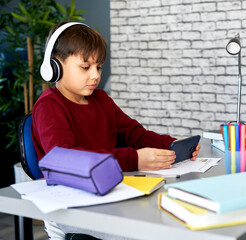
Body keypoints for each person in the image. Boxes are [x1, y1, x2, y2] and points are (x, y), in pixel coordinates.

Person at [32, 21, 200, 240]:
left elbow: (135, 134)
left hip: (110, 195)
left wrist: (171, 144)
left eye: (98, 67)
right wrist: (134, 159)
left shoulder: (101, 99)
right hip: (72, 207)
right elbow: (69, 160)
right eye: (85, 67)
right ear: (55, 66)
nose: (95, 75)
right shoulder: (49, 106)